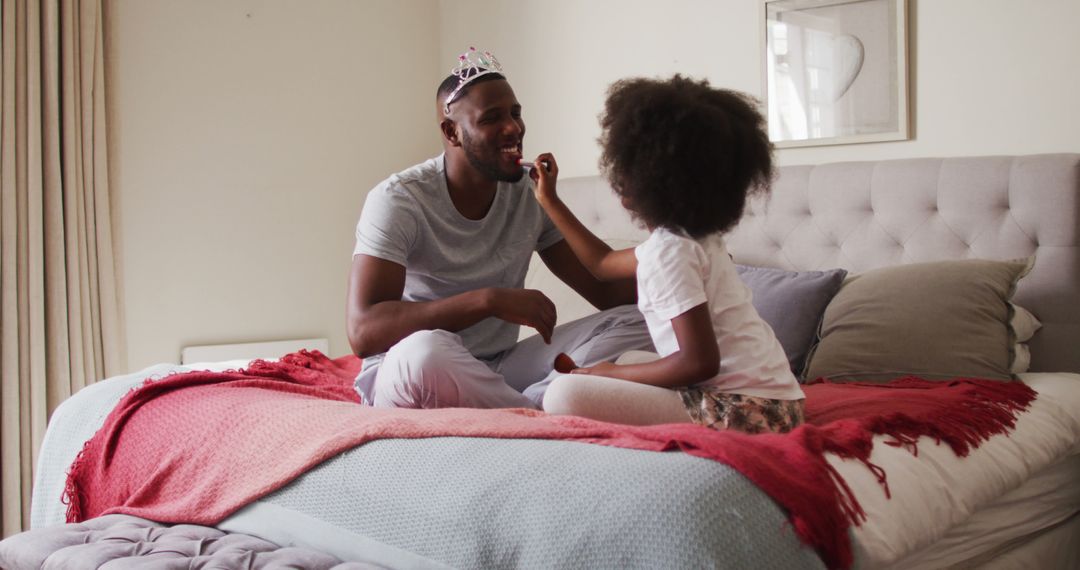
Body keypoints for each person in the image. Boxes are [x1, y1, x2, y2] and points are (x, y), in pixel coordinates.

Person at [346, 48, 653, 409]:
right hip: (413, 370)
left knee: (641, 320)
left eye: (516, 113)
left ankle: (536, 404)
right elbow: (364, 333)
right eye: (492, 118)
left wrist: (690, 273)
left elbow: (604, 290)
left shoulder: (529, 192)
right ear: (452, 132)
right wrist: (487, 301)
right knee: (425, 351)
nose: (514, 128)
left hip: (500, 365)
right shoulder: (399, 200)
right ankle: (535, 412)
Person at [530, 75, 805, 434]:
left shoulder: (669, 255)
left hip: (748, 412)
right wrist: (550, 201)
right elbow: (601, 264)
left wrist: (607, 374)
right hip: (780, 403)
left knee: (562, 395)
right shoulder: (690, 238)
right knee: (629, 360)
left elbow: (699, 363)